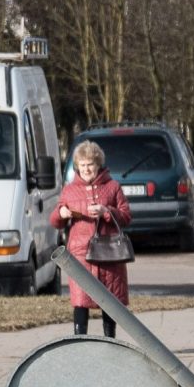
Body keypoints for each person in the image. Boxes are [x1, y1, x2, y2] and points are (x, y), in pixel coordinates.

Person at [57, 140, 134, 338]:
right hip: (80, 252)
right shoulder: (69, 189)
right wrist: (62, 213)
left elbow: (126, 216)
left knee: (110, 300)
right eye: (81, 165)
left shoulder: (113, 186)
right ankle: (80, 339)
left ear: (98, 164)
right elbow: (54, 220)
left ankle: (110, 340)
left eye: (89, 164)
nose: (86, 169)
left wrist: (106, 211)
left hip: (109, 253)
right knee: (80, 300)